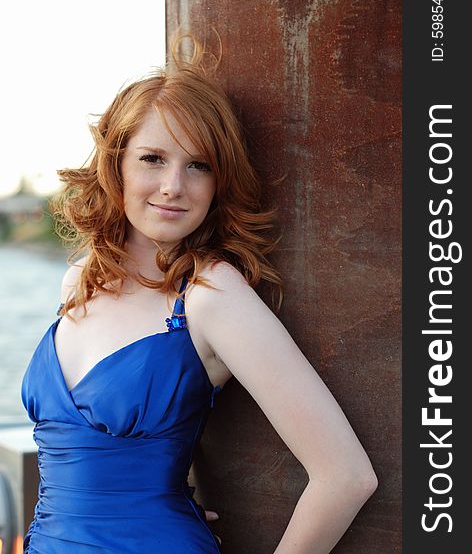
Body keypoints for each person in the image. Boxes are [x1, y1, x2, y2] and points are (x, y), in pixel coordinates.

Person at [21, 29, 378, 553]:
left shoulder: (212, 295)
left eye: (198, 165)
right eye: (152, 159)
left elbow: (345, 476)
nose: (173, 185)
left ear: (218, 182)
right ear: (116, 163)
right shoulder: (78, 280)